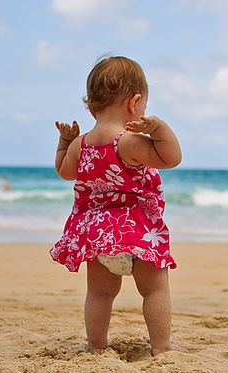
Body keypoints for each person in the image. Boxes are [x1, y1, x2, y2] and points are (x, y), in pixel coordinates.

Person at [50, 55, 182, 356]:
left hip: (98, 234)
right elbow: (171, 158)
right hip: (135, 231)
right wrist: (158, 128)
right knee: (154, 289)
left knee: (99, 293)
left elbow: (64, 171)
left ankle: (96, 346)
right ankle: (161, 346)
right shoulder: (128, 141)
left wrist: (63, 142)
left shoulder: (80, 144)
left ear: (91, 104)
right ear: (135, 103)